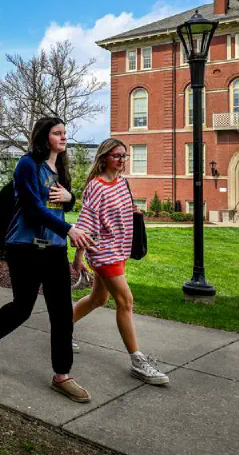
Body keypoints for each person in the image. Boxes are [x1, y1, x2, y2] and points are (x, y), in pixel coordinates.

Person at [0, 117, 94, 403]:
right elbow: (33, 207)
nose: (64, 138)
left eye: (65, 133)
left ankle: (63, 375)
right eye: (57, 133)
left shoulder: (60, 167)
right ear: (43, 137)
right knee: (22, 307)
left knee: (61, 312)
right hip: (24, 247)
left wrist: (70, 197)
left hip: (55, 248)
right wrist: (70, 229)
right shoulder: (27, 164)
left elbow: (63, 203)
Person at [72, 138, 169, 386]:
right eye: (116, 156)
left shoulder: (122, 183)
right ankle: (138, 362)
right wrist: (78, 257)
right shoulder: (96, 186)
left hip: (119, 250)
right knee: (125, 301)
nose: (121, 160)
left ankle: (62, 328)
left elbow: (121, 210)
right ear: (104, 157)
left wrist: (133, 213)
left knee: (98, 299)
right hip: (103, 252)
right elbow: (86, 223)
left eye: (124, 156)